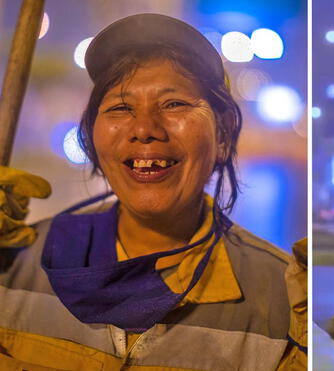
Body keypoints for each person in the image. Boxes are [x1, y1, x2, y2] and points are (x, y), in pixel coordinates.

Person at [0, 13, 306, 370]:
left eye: (174, 104)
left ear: (222, 136)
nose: (144, 128)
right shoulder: (16, 265)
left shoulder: (282, 302)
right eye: (120, 107)